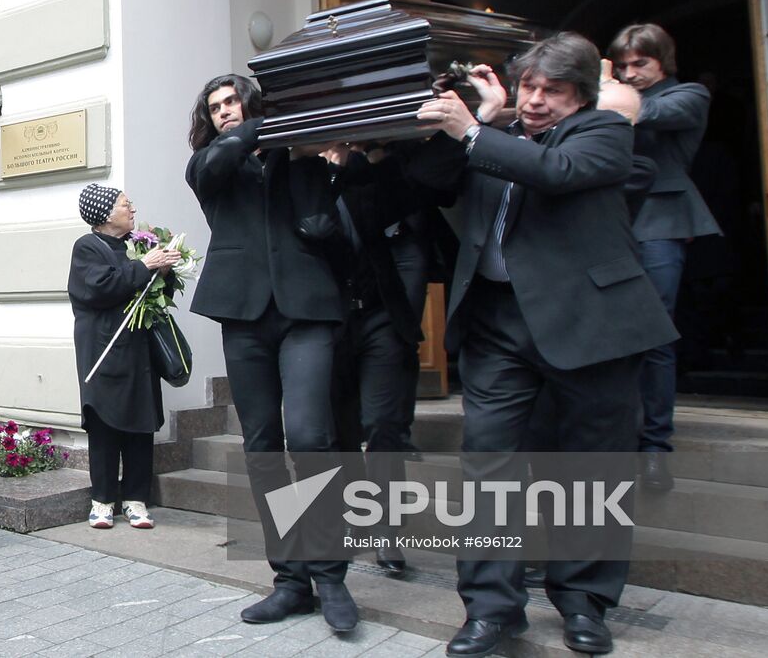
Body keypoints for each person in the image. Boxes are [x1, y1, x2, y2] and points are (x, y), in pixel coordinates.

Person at [409, 34, 676, 658]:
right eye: (527, 86)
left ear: (582, 96)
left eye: (551, 90)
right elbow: (424, 177)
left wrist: (477, 132)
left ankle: (585, 603)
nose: (534, 99)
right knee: (489, 471)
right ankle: (492, 611)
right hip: (497, 326)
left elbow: (556, 174)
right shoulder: (495, 133)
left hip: (593, 326)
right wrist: (477, 116)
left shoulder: (603, 133)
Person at [185, 74, 358, 633]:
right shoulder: (209, 164)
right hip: (244, 317)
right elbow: (218, 162)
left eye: (233, 102)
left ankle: (330, 578)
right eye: (216, 108)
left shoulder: (298, 157)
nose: (226, 113)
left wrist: (316, 155)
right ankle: (290, 581)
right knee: (262, 446)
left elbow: (324, 217)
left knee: (309, 436)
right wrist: (267, 128)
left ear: (252, 102)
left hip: (305, 311)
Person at [608, 23, 720, 492]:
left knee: (653, 334)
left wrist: (602, 94)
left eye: (642, 63)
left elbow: (646, 113)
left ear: (662, 62)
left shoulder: (690, 94)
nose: (632, 73)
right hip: (611, 220)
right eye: (625, 64)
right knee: (612, 336)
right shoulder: (614, 98)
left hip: (662, 221)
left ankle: (655, 448)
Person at [324, 142, 438, 574]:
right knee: (341, 430)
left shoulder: (372, 172)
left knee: (385, 425)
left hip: (379, 318)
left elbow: (401, 212)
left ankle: (388, 532)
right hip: (328, 321)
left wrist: (361, 161)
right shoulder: (303, 176)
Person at [67, 185, 180, 530]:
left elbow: (159, 293)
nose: (131, 209)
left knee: (139, 424)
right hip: (103, 352)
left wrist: (165, 270)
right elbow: (98, 288)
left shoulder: (139, 243)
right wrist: (145, 265)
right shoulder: (88, 247)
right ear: (104, 214)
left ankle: (135, 500)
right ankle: (102, 501)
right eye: (124, 204)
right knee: (104, 426)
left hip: (138, 352)